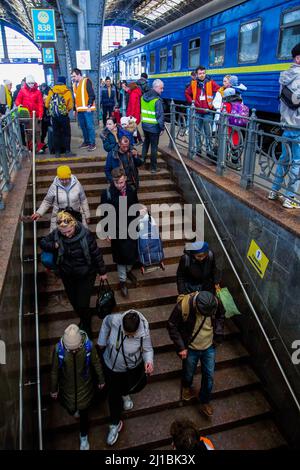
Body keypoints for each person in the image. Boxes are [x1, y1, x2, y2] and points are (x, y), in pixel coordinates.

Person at [40, 210, 107, 336]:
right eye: (63, 232)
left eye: (68, 231)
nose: (66, 235)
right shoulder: (56, 234)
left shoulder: (86, 234)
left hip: (86, 274)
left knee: (82, 303)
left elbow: (96, 253)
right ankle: (84, 318)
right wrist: (53, 245)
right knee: (74, 302)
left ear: (74, 224)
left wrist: (102, 271)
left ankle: (87, 326)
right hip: (67, 275)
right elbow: (42, 243)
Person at [97, 309, 154, 446]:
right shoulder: (115, 319)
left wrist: (149, 362)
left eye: (130, 334)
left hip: (130, 368)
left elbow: (147, 350)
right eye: (125, 331)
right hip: (111, 365)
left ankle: (125, 394)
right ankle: (114, 424)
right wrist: (102, 341)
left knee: (128, 386)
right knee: (113, 394)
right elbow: (105, 322)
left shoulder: (144, 332)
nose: (127, 335)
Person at [167, 290, 224, 417]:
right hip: (191, 347)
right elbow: (172, 325)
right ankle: (186, 386)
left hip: (209, 346)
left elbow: (221, 316)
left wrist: (218, 334)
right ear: (197, 306)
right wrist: (181, 347)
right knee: (188, 372)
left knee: (209, 375)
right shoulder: (184, 305)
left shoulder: (214, 302)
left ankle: (205, 400)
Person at [51, 323, 105, 450]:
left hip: (85, 386)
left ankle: (84, 436)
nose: (74, 351)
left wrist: (101, 379)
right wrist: (54, 389)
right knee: (70, 409)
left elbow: (96, 363)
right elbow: (54, 371)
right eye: (71, 349)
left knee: (84, 414)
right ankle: (74, 410)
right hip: (67, 387)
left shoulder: (88, 346)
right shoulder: (59, 349)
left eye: (76, 348)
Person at [268, 42, 300, 209]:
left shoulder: (285, 76)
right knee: (297, 163)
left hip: (286, 125)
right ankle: (290, 198)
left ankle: (273, 191)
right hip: (298, 127)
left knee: (283, 159)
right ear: (298, 58)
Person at [101, 167, 139, 297]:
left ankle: (128, 271)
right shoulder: (107, 193)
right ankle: (122, 281)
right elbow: (105, 214)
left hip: (131, 227)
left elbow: (135, 206)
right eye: (117, 183)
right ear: (113, 181)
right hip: (116, 229)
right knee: (121, 256)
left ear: (125, 179)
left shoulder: (132, 190)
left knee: (132, 253)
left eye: (122, 182)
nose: (119, 185)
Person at [31, 165, 90, 232]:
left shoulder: (77, 184)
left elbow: (83, 200)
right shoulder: (54, 186)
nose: (64, 181)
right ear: (58, 178)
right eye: (62, 179)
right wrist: (39, 213)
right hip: (59, 218)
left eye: (66, 179)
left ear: (70, 176)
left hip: (76, 216)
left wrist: (87, 215)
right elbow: (47, 201)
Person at [185, 66, 220, 154]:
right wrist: (192, 102)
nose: (202, 75)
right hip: (197, 111)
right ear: (196, 74)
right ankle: (198, 149)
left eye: (203, 73)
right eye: (200, 73)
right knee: (198, 131)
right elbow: (187, 93)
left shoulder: (210, 82)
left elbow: (219, 90)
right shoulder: (193, 84)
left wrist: (215, 102)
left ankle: (209, 150)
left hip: (208, 111)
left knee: (208, 132)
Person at [45, 76, 75, 157]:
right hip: (64, 116)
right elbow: (70, 105)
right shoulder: (67, 91)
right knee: (66, 133)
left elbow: (47, 104)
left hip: (54, 116)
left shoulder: (52, 90)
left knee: (56, 133)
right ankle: (67, 151)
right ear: (64, 82)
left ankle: (57, 152)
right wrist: (65, 110)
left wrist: (53, 110)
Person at [15, 75, 44, 152]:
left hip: (36, 114)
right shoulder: (22, 91)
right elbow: (17, 100)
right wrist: (19, 104)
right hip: (27, 115)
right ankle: (30, 147)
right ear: (27, 83)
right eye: (29, 83)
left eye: (32, 83)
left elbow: (40, 104)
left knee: (37, 131)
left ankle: (39, 147)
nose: (31, 84)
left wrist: (41, 114)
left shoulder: (38, 92)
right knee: (29, 132)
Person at [141, 79, 165, 173]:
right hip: (154, 127)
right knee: (154, 147)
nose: (162, 90)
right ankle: (153, 168)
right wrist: (162, 127)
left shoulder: (143, 97)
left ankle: (142, 161)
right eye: (161, 88)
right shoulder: (157, 100)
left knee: (146, 143)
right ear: (155, 87)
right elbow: (160, 116)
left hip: (144, 125)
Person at [71, 68, 96, 151]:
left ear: (79, 74)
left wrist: (89, 105)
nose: (73, 78)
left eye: (74, 76)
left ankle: (92, 143)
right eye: (72, 76)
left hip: (87, 109)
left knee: (90, 126)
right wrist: (75, 109)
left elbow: (91, 94)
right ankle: (86, 141)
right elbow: (75, 98)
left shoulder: (86, 81)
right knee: (83, 127)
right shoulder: (74, 85)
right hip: (80, 110)